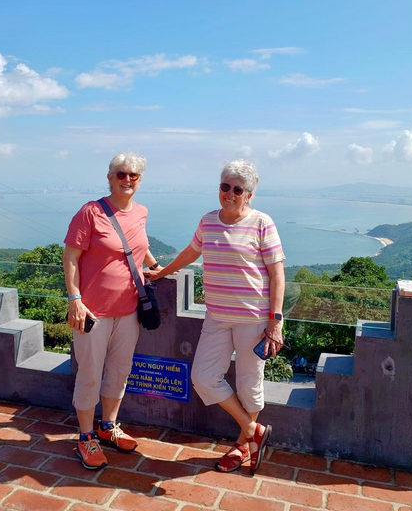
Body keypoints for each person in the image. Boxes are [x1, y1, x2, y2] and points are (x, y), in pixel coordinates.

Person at [146, 159, 285, 474]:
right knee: (203, 377)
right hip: (217, 317)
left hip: (254, 319)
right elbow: (190, 253)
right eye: (226, 187)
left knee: (250, 385)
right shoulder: (208, 222)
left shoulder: (263, 223)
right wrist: (160, 273)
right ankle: (254, 431)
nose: (230, 194)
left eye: (238, 189)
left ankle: (242, 444)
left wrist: (275, 321)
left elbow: (278, 274)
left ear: (249, 195)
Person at [63, 152, 162, 470]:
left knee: (120, 371)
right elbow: (71, 257)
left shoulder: (142, 212)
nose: (128, 179)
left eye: (134, 174)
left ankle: (108, 427)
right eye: (121, 174)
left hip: (129, 310)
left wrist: (156, 267)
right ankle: (85, 437)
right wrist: (75, 298)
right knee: (90, 374)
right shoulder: (90, 212)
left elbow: (138, 245)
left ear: (140, 179)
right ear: (110, 178)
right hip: (93, 313)